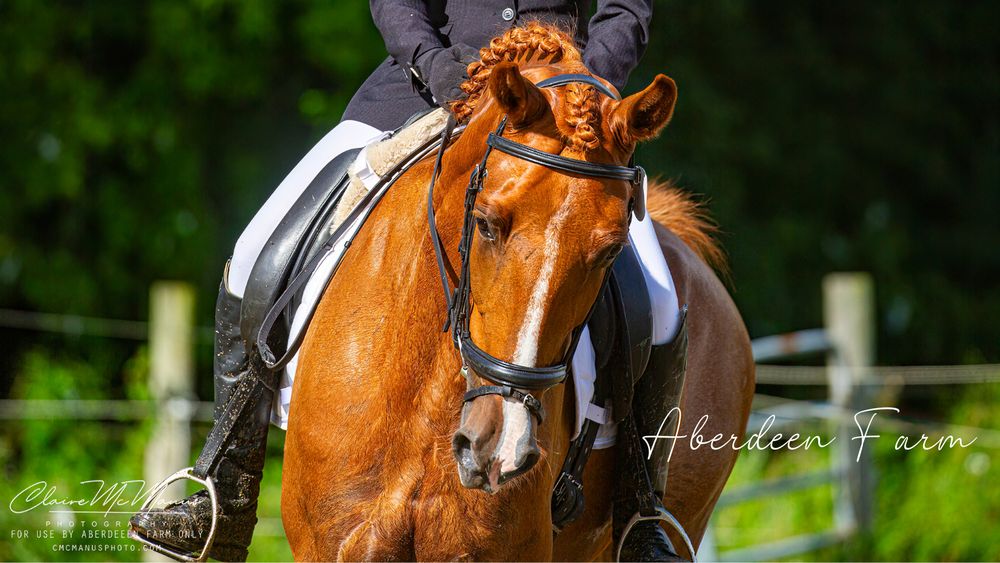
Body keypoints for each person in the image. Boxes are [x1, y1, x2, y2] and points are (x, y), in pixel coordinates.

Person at [130, 1, 685, 561]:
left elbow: (627, 6)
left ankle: (639, 511)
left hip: (569, 116)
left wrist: (587, 89)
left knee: (661, 302)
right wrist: (434, 62)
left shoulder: (581, 102)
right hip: (422, 89)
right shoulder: (429, 74)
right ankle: (225, 488)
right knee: (254, 251)